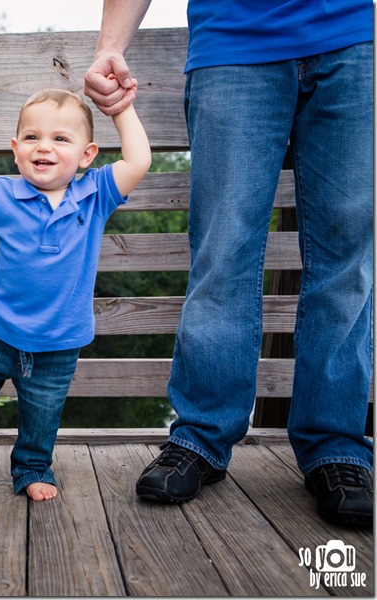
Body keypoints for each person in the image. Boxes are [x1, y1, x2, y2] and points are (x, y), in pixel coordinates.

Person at [84, 0, 373, 527]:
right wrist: (109, 47)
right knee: (223, 252)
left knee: (346, 257)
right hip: (233, 44)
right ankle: (200, 436)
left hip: (358, 37)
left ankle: (337, 447)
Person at [0, 88, 151, 501]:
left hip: (58, 341)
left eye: (61, 138)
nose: (44, 146)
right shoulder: (3, 195)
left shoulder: (95, 195)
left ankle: (32, 467)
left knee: (42, 415)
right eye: (31, 137)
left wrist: (121, 106)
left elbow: (138, 161)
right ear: (15, 148)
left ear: (87, 154)